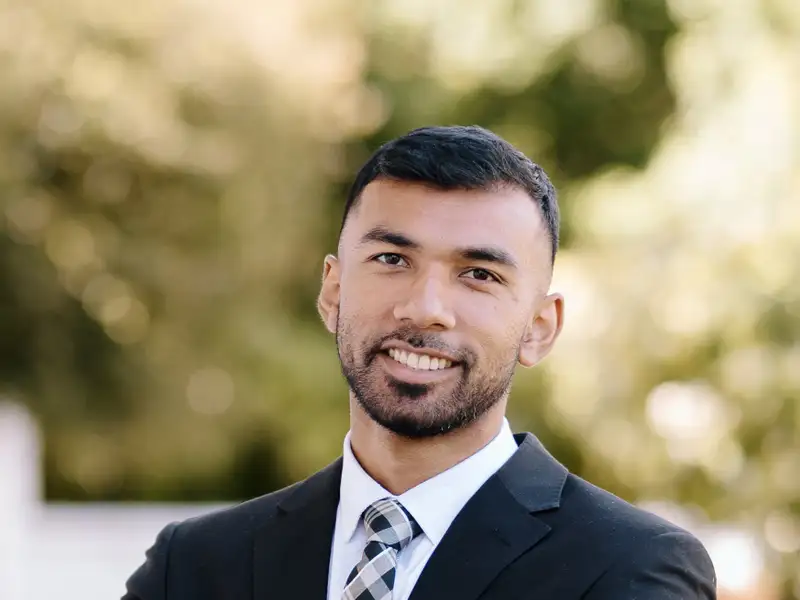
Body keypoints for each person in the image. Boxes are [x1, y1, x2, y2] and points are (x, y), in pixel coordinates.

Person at [123, 125, 717, 600]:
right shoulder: (193, 568)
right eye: (391, 259)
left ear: (539, 328)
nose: (425, 308)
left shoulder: (630, 569)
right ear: (333, 292)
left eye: (478, 274)